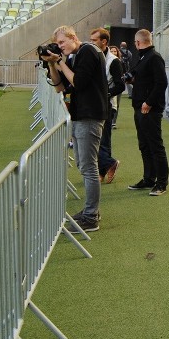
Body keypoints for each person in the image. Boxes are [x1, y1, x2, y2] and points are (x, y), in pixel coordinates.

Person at [40, 26, 108, 232]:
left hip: (90, 115)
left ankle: (91, 216)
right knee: (82, 164)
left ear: (73, 37)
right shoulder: (74, 57)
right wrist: (52, 64)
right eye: (57, 44)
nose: (60, 47)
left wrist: (60, 61)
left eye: (62, 43)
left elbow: (78, 81)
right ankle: (90, 211)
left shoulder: (88, 50)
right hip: (80, 115)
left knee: (89, 167)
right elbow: (60, 87)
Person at [127, 29, 169, 196]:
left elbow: (161, 83)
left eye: (135, 42)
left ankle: (162, 183)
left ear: (138, 43)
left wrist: (149, 102)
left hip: (149, 109)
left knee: (155, 146)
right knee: (144, 145)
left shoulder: (154, 57)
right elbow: (145, 79)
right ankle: (148, 179)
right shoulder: (143, 57)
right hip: (140, 106)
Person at [90, 28, 125, 184]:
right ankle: (105, 169)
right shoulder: (93, 57)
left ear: (104, 42)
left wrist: (105, 94)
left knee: (102, 140)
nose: (91, 42)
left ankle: (107, 166)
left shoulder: (114, 61)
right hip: (94, 105)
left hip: (106, 106)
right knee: (100, 140)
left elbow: (120, 86)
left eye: (94, 40)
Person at [109, 45, 124, 128]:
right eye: (112, 51)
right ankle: (110, 120)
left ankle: (114, 121)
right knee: (111, 103)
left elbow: (125, 70)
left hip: (118, 86)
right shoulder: (107, 61)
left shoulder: (120, 61)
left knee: (117, 104)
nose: (114, 52)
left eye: (115, 51)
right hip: (111, 87)